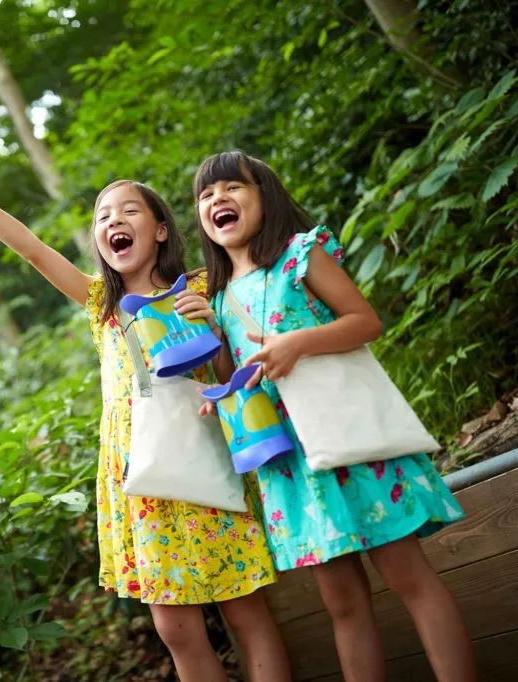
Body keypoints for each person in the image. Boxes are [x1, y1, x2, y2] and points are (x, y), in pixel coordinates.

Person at [0, 147, 290, 681]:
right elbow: (34, 252)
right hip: (141, 476)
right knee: (176, 629)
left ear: (161, 230)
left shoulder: (203, 287)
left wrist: (210, 322)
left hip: (207, 460)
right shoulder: (102, 306)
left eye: (129, 211)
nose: (113, 220)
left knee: (245, 605)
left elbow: (236, 374)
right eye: (103, 216)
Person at [194, 150, 475, 682]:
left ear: (266, 196)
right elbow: (244, 375)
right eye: (206, 195)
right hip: (293, 464)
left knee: (408, 576)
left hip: (351, 440)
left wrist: (299, 342)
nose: (218, 200)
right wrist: (219, 376)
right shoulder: (221, 296)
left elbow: (364, 322)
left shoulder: (300, 256)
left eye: (233, 187)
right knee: (341, 602)